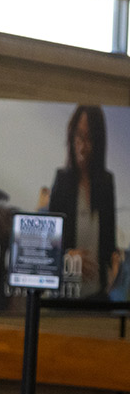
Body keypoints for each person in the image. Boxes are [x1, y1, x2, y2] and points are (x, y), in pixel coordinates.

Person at [47, 104, 117, 298]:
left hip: (99, 295)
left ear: (99, 142)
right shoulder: (62, 181)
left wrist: (115, 264)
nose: (82, 146)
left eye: (89, 139)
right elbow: (48, 246)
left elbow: (109, 241)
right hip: (65, 293)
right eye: (78, 136)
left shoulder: (106, 182)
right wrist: (67, 256)